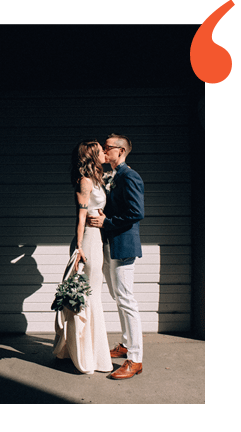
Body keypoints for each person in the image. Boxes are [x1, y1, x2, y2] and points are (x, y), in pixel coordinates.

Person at [87, 133, 145, 380]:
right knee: (117, 296)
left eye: (107, 147)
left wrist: (107, 222)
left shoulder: (130, 176)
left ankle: (135, 359)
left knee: (126, 299)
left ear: (120, 151)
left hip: (124, 245)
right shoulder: (112, 176)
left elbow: (136, 212)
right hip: (110, 244)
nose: (104, 150)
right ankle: (125, 344)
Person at [52, 140, 112, 375]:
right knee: (89, 295)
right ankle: (86, 355)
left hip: (96, 238)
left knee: (92, 294)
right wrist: (79, 248)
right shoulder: (85, 181)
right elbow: (81, 217)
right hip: (87, 240)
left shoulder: (97, 179)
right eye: (100, 150)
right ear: (92, 156)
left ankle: (85, 350)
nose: (105, 152)